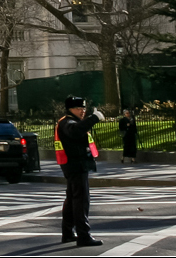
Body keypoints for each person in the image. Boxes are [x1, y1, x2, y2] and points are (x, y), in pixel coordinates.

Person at [55, 95, 105, 248]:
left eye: (84, 108)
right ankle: (84, 236)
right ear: (70, 109)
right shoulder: (67, 122)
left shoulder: (70, 121)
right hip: (75, 166)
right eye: (79, 108)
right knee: (81, 201)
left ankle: (68, 233)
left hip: (74, 165)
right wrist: (94, 118)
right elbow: (76, 132)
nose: (82, 111)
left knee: (72, 200)